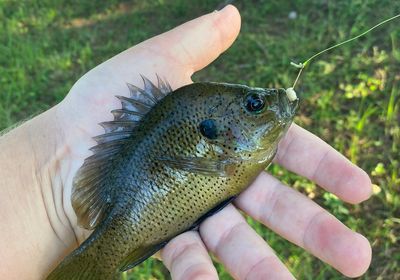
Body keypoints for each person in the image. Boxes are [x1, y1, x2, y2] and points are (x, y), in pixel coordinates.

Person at [0, 5, 372, 280]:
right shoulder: (222, 146)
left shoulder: (224, 143)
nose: (265, 104)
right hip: (125, 211)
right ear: (218, 131)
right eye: (254, 105)